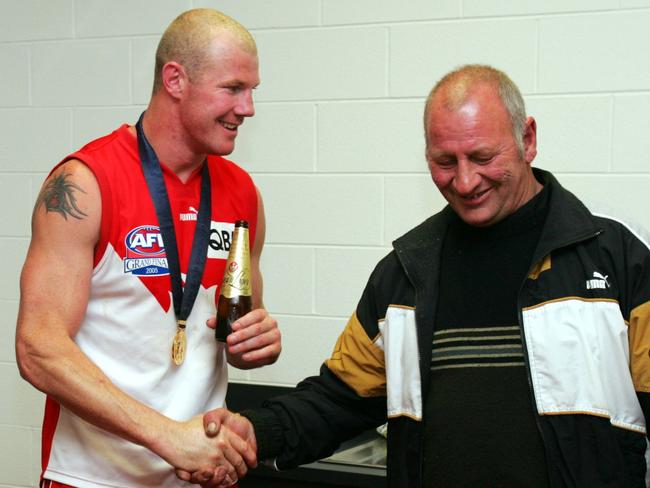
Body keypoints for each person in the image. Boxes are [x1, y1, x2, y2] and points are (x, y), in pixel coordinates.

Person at [190, 64, 650, 487]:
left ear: (527, 139)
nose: (465, 182)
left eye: (483, 156)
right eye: (444, 162)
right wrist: (254, 431)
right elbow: (340, 399)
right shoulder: (407, 271)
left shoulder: (616, 257)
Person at [15, 8, 281, 488]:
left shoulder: (243, 193)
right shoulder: (85, 184)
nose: (248, 108)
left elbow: (235, 331)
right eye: (233, 88)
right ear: (175, 80)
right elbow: (38, 348)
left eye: (252, 91)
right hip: (92, 477)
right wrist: (166, 436)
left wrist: (252, 343)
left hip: (200, 475)